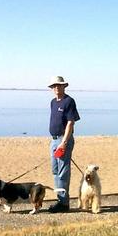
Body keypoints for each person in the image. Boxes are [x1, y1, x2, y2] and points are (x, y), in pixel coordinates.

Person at [47, 75, 80, 213]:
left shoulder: (69, 101)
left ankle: (64, 203)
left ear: (64, 86)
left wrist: (64, 142)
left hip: (63, 140)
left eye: (58, 85)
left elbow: (70, 123)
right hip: (54, 140)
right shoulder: (53, 102)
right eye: (54, 86)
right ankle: (59, 199)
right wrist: (56, 142)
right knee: (55, 170)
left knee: (62, 172)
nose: (56, 88)